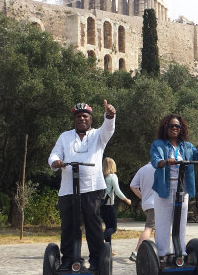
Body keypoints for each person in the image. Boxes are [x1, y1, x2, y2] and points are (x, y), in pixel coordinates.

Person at [48, 100, 116, 272]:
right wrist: (55, 161)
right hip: (68, 189)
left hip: (92, 188)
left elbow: (108, 129)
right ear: (74, 119)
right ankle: (69, 259)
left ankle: (96, 260)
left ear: (90, 119)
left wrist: (110, 115)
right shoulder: (65, 136)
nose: (82, 119)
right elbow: (55, 153)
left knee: (92, 224)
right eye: (78, 116)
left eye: (85, 116)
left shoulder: (97, 136)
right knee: (69, 225)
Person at [150, 114, 198, 265]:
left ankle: (180, 254)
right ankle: (162, 255)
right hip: (164, 188)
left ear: (181, 129)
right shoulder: (159, 144)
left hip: (182, 188)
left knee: (181, 223)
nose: (174, 128)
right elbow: (155, 160)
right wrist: (165, 161)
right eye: (171, 126)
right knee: (162, 223)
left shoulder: (186, 146)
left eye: (177, 126)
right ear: (166, 128)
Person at [128, 161, 156, 262]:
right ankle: (136, 252)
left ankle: (160, 251)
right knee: (149, 228)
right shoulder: (159, 167)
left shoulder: (143, 168)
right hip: (156, 203)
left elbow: (132, 185)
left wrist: (143, 197)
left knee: (157, 228)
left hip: (146, 204)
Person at [101, 157, 131, 243]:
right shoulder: (112, 176)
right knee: (113, 228)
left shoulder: (101, 176)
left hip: (101, 205)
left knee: (108, 227)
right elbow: (117, 192)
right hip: (109, 205)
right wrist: (126, 199)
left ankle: (107, 249)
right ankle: (99, 239)